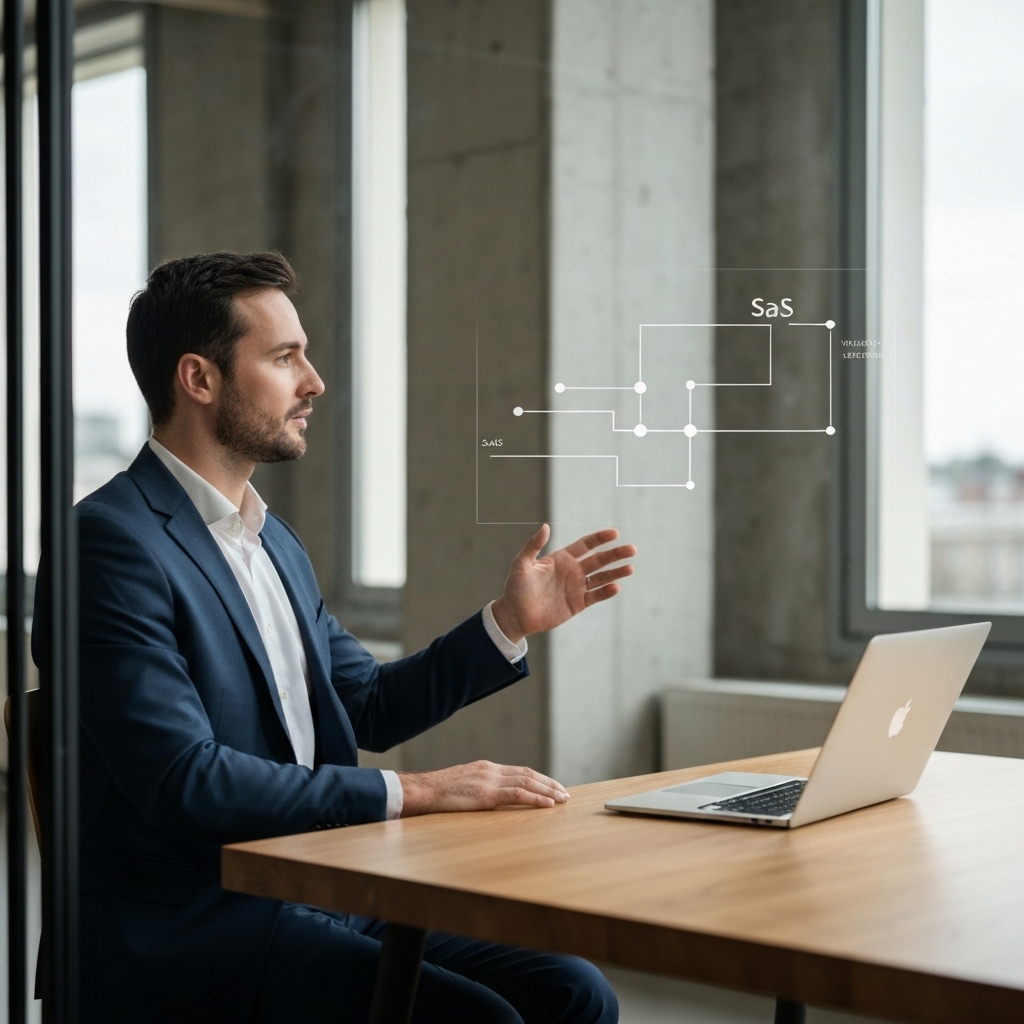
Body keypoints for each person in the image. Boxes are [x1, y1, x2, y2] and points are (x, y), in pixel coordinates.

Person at [43, 251, 635, 1024]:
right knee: (478, 1020)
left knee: (574, 990)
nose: (314, 381)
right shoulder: (109, 544)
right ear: (200, 379)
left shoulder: (272, 541)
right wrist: (419, 794)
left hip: (317, 891)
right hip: (195, 923)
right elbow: (183, 780)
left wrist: (508, 623)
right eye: (285, 358)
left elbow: (367, 704)